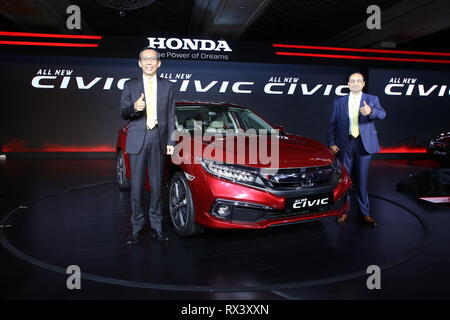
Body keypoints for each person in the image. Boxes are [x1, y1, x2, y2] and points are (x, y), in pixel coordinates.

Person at [120, 47, 175, 243]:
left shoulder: (168, 86)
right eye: (145, 59)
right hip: (137, 140)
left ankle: (157, 226)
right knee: (136, 188)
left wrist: (171, 141)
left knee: (157, 187)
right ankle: (136, 227)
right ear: (139, 62)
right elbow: (123, 113)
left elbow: (170, 116)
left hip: (158, 139)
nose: (149, 62)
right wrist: (134, 108)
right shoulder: (130, 85)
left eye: (153, 59)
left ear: (159, 63)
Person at [327, 72, 386, 227]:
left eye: (358, 81)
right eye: (352, 81)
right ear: (348, 84)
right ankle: (344, 212)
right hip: (344, 144)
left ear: (363, 83)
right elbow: (332, 124)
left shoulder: (372, 99)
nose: (355, 83)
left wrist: (371, 112)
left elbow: (382, 114)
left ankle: (365, 214)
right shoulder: (339, 101)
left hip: (363, 144)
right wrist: (331, 142)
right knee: (345, 181)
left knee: (362, 181)